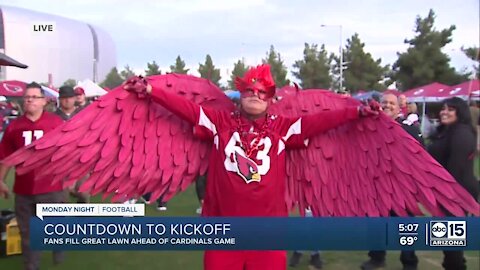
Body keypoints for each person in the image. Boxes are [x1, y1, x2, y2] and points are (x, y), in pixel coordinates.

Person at [126, 64, 379, 270]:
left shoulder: (283, 128)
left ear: (270, 98)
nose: (255, 95)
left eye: (262, 92)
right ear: (241, 95)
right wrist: (150, 90)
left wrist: (357, 112)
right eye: (249, 90)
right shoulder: (219, 122)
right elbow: (186, 109)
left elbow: (322, 121)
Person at [0, 82, 65, 270]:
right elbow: (5, 157)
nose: (29, 100)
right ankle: (31, 265)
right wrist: (1, 180)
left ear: (44, 101)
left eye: (34, 97)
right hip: (24, 189)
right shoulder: (14, 127)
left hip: (51, 187)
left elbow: (69, 152)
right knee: (27, 233)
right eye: (27, 96)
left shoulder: (56, 124)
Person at [360, 93, 423, 270]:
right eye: (384, 102)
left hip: (403, 188)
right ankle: (377, 257)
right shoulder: (372, 128)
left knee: (405, 227)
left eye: (391, 103)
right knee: (376, 225)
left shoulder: (409, 129)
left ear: (399, 107)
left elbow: (421, 157)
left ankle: (409, 262)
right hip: (377, 187)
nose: (387, 105)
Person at [427, 97, 478, 270]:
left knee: (451, 244)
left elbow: (456, 168)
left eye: (450, 109)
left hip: (456, 194)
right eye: (443, 108)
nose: (444, 112)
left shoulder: (462, 133)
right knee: (446, 242)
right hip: (445, 193)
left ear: (460, 112)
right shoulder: (446, 131)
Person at [54, 86, 89, 203]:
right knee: (61, 198)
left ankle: (83, 219)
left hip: (80, 158)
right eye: (64, 98)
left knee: (83, 194)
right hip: (60, 160)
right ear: (59, 99)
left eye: (70, 97)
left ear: (74, 98)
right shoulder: (53, 117)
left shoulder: (84, 114)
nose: (67, 100)